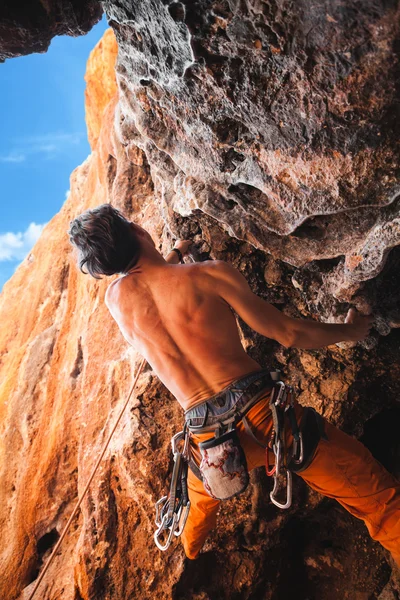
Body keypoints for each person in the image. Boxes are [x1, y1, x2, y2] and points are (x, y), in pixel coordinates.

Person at [68, 203, 400, 565]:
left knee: (196, 514)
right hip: (269, 419)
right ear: (137, 230)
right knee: (379, 502)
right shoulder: (209, 275)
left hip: (209, 444)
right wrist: (350, 331)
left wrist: (176, 253)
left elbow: (149, 280)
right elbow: (287, 333)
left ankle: (191, 550)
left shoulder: (116, 301)